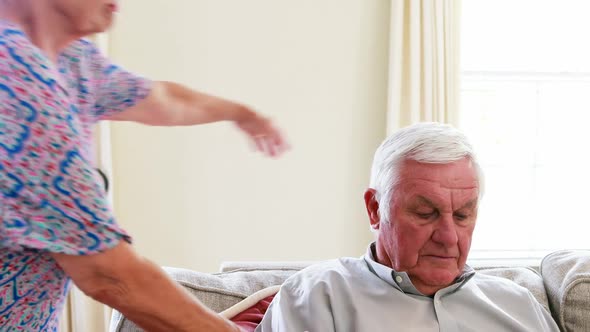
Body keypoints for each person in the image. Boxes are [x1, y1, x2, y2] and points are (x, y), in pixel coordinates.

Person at [0, 0, 288, 331]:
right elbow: (109, 275)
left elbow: (163, 100)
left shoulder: (71, 60)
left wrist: (241, 113)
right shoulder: (15, 78)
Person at [257, 122, 559, 331]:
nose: (448, 237)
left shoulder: (517, 304)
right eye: (426, 213)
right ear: (375, 209)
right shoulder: (316, 296)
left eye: (462, 216)